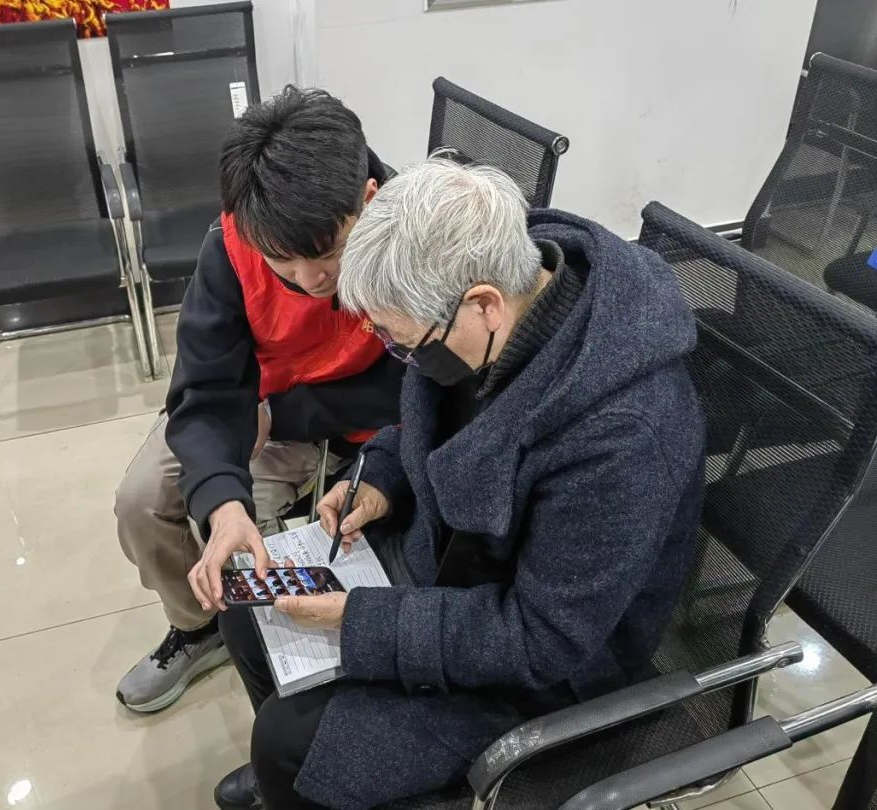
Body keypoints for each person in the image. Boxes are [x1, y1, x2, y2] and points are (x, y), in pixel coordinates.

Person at [196, 159, 706, 809]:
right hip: (453, 562)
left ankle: (299, 775)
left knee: (289, 742)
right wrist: (383, 475)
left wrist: (361, 620)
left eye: (406, 344)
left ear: (484, 305)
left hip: (543, 663)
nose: (404, 357)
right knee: (249, 610)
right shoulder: (496, 303)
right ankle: (298, 780)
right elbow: (436, 416)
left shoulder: (623, 434)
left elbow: (542, 641)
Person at [114, 87, 403, 713]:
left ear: (368, 200)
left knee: (257, 546)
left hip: (340, 422)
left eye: (328, 254)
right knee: (142, 503)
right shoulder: (234, 243)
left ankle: (279, 666)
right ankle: (198, 628)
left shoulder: (409, 236)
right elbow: (207, 388)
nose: (311, 280)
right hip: (249, 405)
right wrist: (223, 502)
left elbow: (413, 384)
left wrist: (285, 416)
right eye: (283, 262)